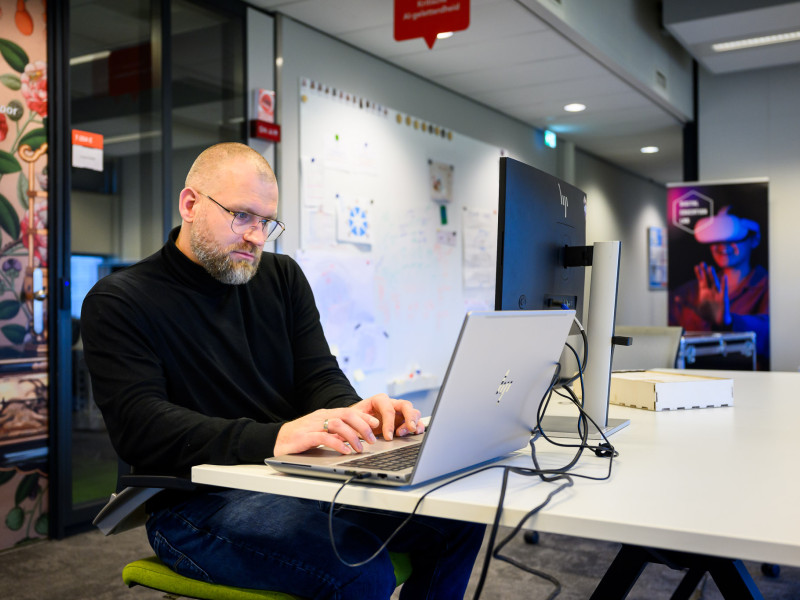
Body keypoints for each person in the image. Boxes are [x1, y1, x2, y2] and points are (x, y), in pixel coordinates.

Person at [81, 143, 484, 599]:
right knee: (359, 572)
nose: (257, 236)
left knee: (457, 521)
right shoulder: (121, 301)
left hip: (296, 482)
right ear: (190, 204)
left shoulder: (282, 277)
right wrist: (277, 437)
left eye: (266, 222)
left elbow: (319, 377)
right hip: (195, 505)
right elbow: (141, 429)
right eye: (242, 216)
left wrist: (354, 412)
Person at [669, 206, 770, 369]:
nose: (723, 246)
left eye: (733, 238)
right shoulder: (687, 293)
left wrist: (728, 321)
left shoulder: (770, 287)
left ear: (754, 240)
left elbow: (772, 334)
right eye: (716, 238)